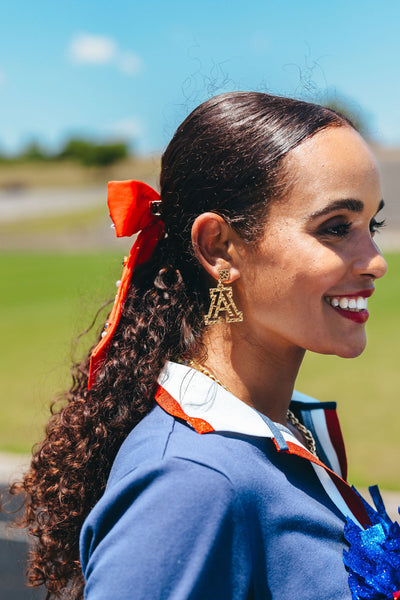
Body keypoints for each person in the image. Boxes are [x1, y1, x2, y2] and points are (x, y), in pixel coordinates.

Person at [9, 92, 388, 599]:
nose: (375, 261)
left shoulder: (277, 429)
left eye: (373, 225)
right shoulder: (192, 482)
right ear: (218, 247)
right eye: (336, 228)